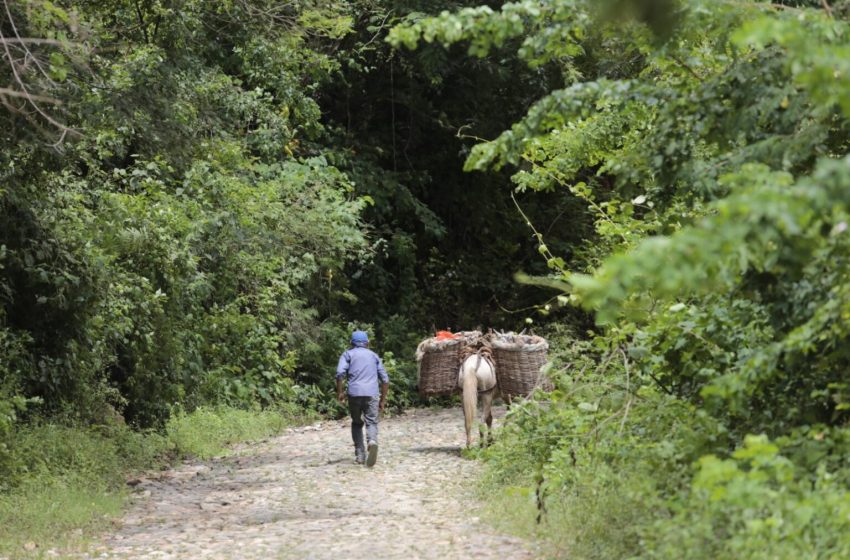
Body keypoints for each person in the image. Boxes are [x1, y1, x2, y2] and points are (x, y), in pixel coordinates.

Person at [336, 330, 389, 467]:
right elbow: (385, 380)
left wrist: (340, 392)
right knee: (371, 421)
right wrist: (382, 400)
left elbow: (340, 374)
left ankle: (360, 454)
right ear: (367, 343)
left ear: (351, 343)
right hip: (372, 393)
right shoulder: (374, 356)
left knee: (357, 423)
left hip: (354, 394)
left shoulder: (348, 354)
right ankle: (372, 441)